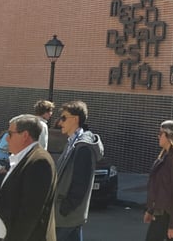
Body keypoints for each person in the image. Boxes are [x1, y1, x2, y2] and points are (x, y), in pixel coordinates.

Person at [0, 114, 57, 241]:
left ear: (25, 136)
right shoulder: (22, 159)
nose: (7, 140)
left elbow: (30, 214)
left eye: (10, 134)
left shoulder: (39, 162)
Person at [54, 101, 103, 241]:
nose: (59, 122)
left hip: (66, 216)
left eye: (64, 118)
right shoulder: (72, 143)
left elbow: (81, 183)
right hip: (65, 215)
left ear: (75, 119)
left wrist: (65, 207)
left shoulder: (83, 147)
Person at [143, 120, 173, 241]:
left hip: (169, 213)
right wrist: (150, 210)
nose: (158, 136)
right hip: (161, 211)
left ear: (170, 136)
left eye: (161, 133)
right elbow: (158, 187)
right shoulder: (165, 156)